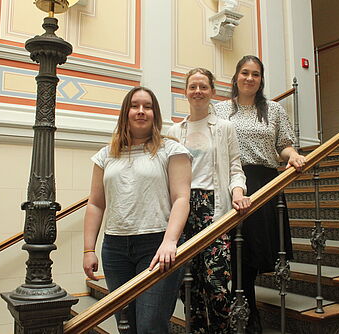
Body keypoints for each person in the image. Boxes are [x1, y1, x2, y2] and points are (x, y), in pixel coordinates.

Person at [83, 86, 192, 334]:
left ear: (155, 114)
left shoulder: (172, 150)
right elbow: (95, 203)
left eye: (147, 106)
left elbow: (181, 198)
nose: (141, 111)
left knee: (150, 326)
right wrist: (88, 249)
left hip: (156, 246)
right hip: (115, 249)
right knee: (126, 325)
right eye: (135, 106)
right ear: (125, 112)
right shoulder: (106, 155)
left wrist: (170, 241)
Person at [214, 55, 307, 334]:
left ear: (261, 80)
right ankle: (244, 307)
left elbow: (284, 146)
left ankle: (245, 306)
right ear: (236, 77)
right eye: (245, 72)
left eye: (255, 74)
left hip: (264, 183)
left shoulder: (275, 110)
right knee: (233, 246)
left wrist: (294, 156)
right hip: (230, 181)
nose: (250, 78)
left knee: (252, 249)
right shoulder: (219, 110)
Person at [167, 68, 251, 334]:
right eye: (193, 87)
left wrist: (238, 191)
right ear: (185, 92)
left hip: (213, 208)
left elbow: (235, 167)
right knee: (187, 282)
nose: (198, 92)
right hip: (182, 206)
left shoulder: (224, 128)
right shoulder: (174, 130)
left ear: (212, 91)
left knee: (215, 282)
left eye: (203, 87)